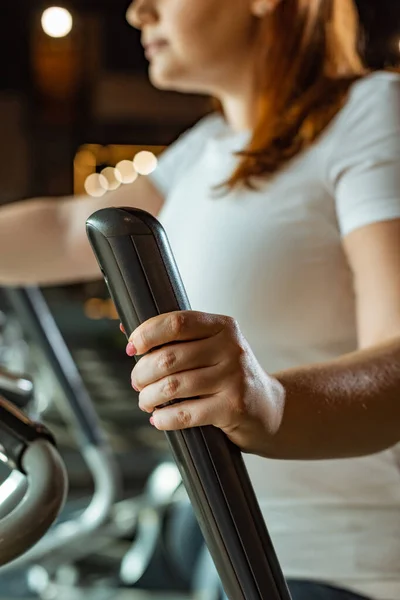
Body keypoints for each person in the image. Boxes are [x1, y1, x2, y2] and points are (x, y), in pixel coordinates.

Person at [0, 0, 399, 598]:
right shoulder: (209, 147)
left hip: (329, 566)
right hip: (206, 525)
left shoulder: (374, 112)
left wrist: (271, 400)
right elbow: (66, 228)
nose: (139, 12)